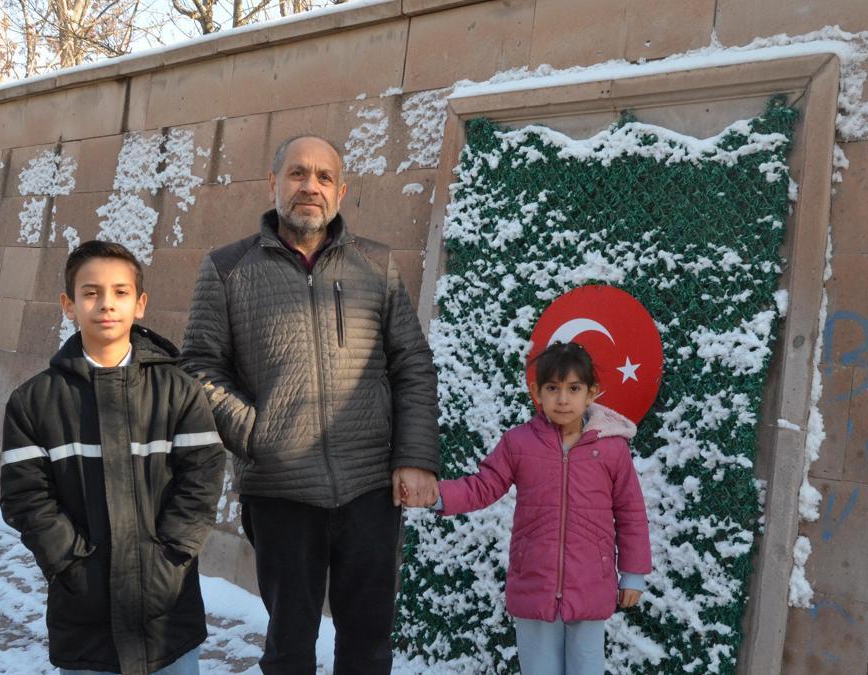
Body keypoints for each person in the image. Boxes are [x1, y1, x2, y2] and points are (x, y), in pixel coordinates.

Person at [180, 134, 440, 674]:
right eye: (298, 174)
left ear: (341, 191)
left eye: (324, 177)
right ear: (272, 183)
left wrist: (413, 457)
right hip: (280, 490)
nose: (310, 187)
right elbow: (200, 367)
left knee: (368, 645)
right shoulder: (227, 268)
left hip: (369, 488)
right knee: (289, 646)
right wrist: (258, 436)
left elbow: (411, 364)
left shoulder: (376, 265)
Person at [0, 240, 226, 675]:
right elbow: (26, 498)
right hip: (85, 620)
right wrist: (71, 566)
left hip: (168, 617)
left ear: (140, 304)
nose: (106, 304)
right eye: (91, 292)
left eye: (120, 292)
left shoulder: (179, 390)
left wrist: (172, 557)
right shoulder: (34, 402)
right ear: (68, 304)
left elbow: (203, 478)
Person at [432, 341, 652, 675]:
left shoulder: (612, 449)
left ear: (592, 393)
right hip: (534, 583)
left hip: (591, 584)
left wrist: (633, 574)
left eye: (574, 388)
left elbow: (630, 512)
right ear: (537, 392)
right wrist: (436, 495)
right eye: (553, 388)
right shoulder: (518, 443)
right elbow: (483, 485)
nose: (563, 399)